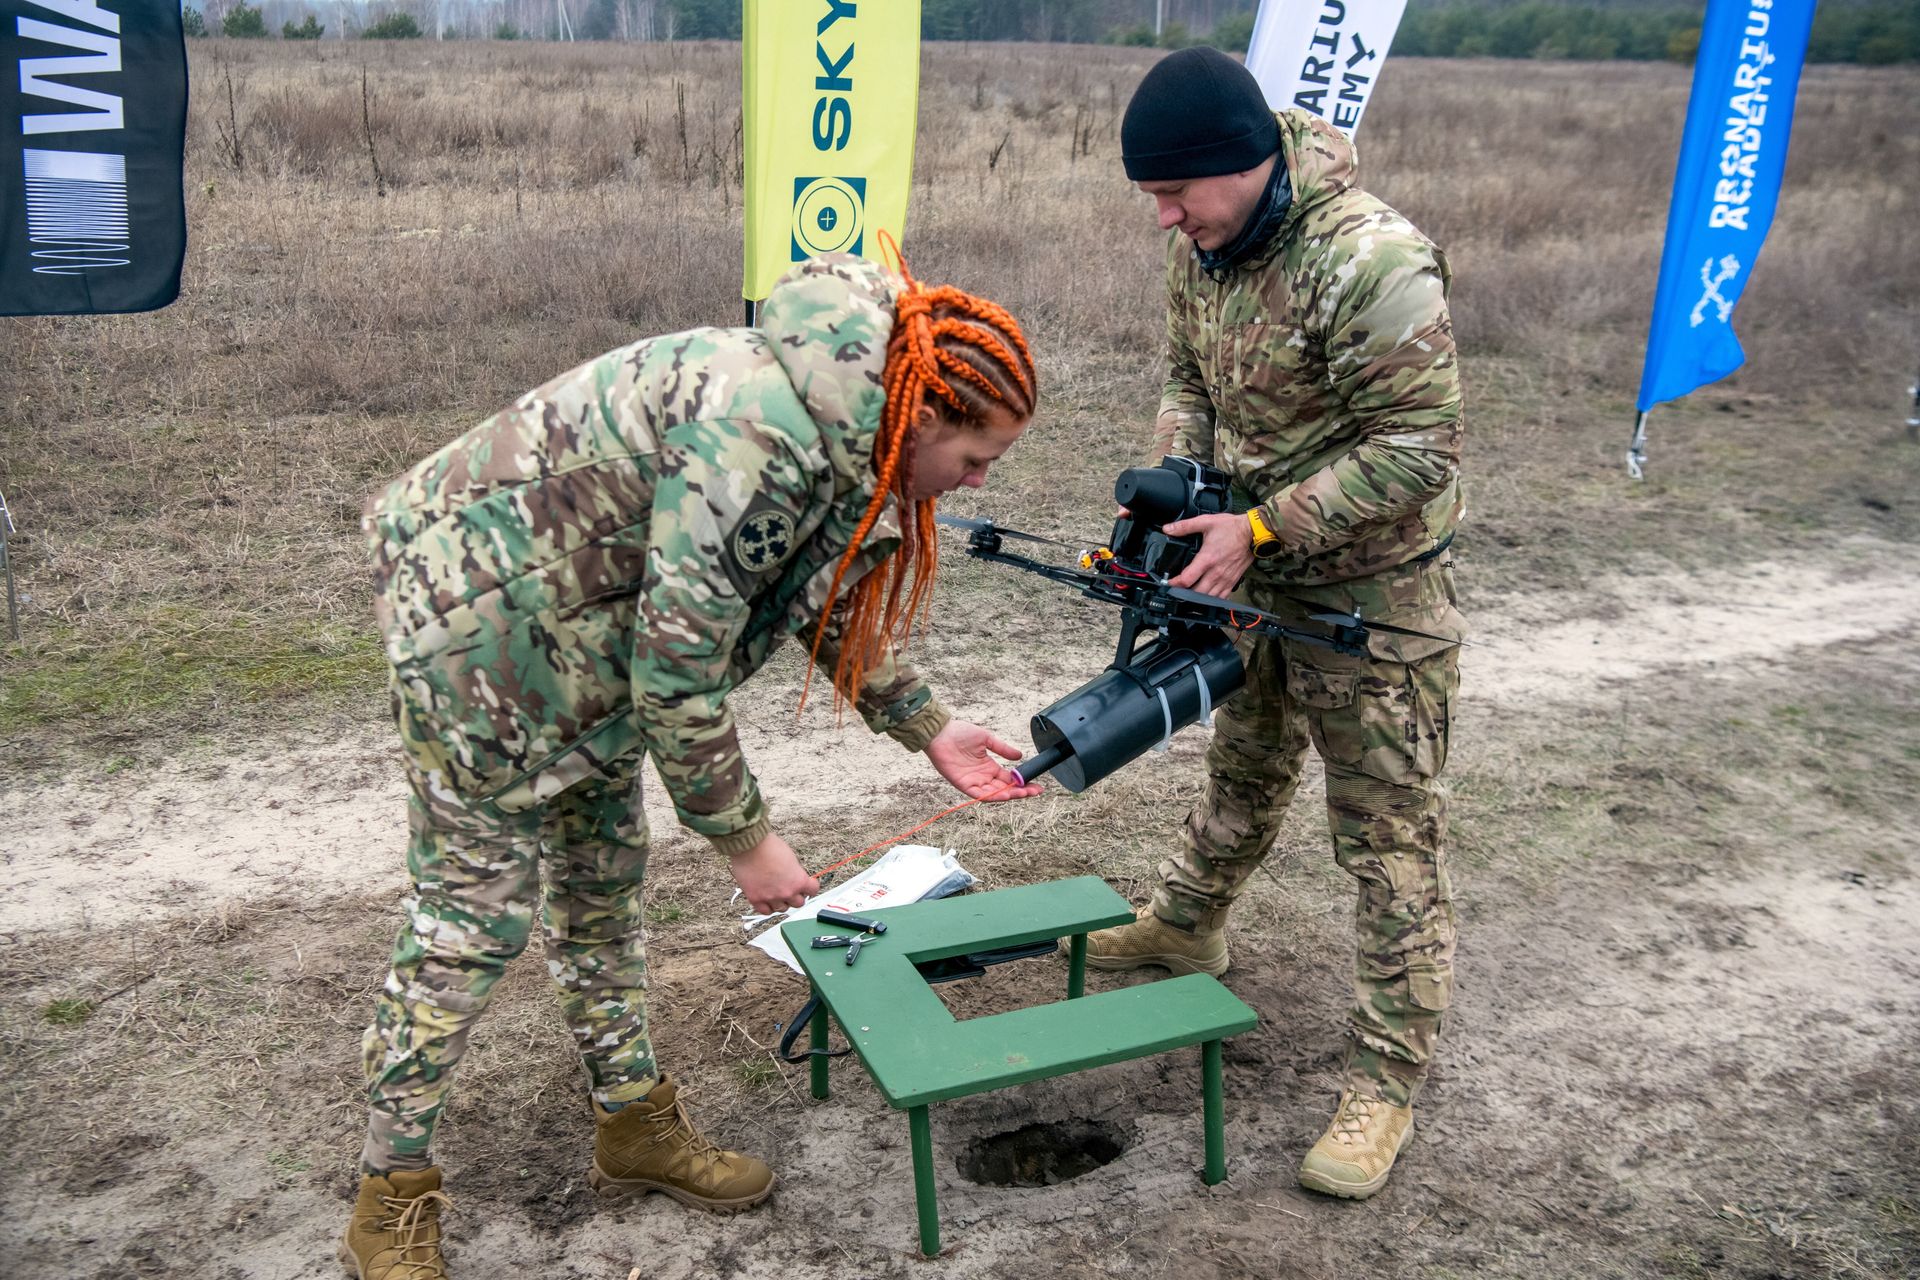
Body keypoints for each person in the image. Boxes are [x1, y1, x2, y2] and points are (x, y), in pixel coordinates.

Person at [340, 251, 1041, 1279]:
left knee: (600, 892)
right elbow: (676, 670)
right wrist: (747, 841)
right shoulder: (762, 434)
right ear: (925, 412)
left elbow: (815, 591)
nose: (977, 483)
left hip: (579, 638)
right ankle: (388, 1192)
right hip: (477, 637)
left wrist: (925, 723)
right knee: (472, 925)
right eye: (978, 457)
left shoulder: (849, 426)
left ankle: (633, 1124)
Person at [1086, 47, 1466, 1201]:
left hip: (1373, 595)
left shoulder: (1373, 261)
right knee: (1244, 762)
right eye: (1150, 195)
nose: (1163, 218)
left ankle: (1386, 1077)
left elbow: (1420, 447)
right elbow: (1188, 376)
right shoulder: (1206, 249)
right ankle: (1189, 924)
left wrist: (1262, 525)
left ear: (1243, 165)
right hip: (1245, 558)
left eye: (1175, 193)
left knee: (1387, 838)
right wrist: (1178, 490)